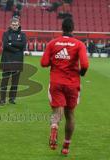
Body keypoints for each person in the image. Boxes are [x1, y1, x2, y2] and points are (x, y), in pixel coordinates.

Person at [41, 18, 89, 155]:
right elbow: (85, 64)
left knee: (57, 110)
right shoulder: (79, 44)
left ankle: (54, 127)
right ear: (73, 29)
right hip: (72, 83)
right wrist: (82, 73)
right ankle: (66, 146)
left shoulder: (52, 43)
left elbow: (43, 63)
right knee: (70, 115)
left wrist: (56, 60)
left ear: (62, 28)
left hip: (56, 82)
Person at [0, 18, 26, 106]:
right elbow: (5, 45)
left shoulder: (23, 35)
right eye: (13, 25)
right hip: (7, 60)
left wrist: (11, 43)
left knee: (15, 82)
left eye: (16, 25)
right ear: (10, 25)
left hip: (18, 61)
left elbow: (23, 45)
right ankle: (2, 100)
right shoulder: (5, 34)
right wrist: (17, 49)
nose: (15, 26)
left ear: (19, 25)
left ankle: (12, 99)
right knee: (4, 81)